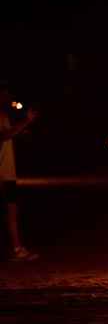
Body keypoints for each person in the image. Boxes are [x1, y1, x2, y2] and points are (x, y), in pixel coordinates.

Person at [0, 81, 39, 261]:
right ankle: (15, 249)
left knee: (11, 208)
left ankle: (14, 247)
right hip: (2, 172)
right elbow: (4, 135)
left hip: (7, 170)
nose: (8, 99)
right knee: (10, 209)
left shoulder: (5, 114)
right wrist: (24, 122)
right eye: (4, 95)